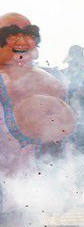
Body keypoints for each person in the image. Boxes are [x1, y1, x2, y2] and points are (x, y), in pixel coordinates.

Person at [0, 13, 76, 212]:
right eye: (11, 34)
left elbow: (61, 144)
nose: (21, 41)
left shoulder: (50, 81)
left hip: (34, 186)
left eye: (28, 34)